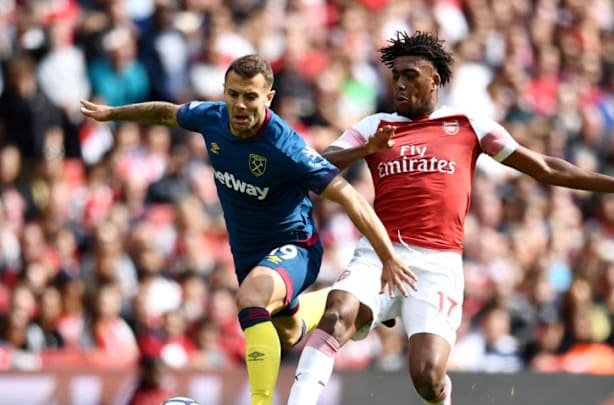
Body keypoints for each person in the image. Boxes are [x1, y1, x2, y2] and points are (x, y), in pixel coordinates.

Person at [288, 31, 614, 405]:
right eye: (395, 76)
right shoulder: (374, 127)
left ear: (434, 80)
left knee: (426, 378)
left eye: (410, 76)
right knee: (337, 313)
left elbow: (543, 167)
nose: (400, 85)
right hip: (380, 253)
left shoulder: (469, 126)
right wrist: (363, 150)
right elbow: (313, 167)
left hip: (437, 264)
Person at [79, 54, 415, 405]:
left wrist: (387, 257)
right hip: (250, 255)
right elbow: (166, 113)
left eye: (250, 97)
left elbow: (350, 198)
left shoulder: (284, 143)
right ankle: (360, 305)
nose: (240, 105)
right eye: (233, 94)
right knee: (287, 333)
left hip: (295, 247)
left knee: (251, 299)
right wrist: (114, 114)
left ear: (268, 98)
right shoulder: (213, 118)